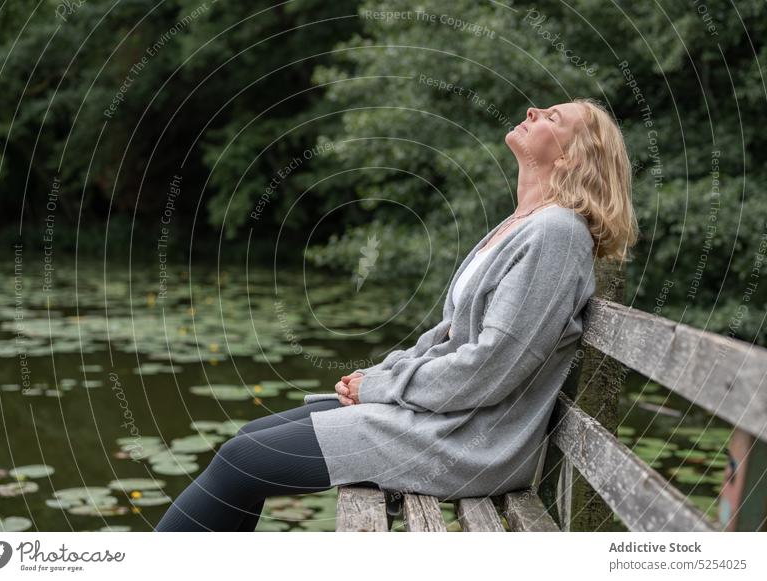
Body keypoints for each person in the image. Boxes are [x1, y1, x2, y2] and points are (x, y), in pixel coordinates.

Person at [154, 97, 640, 531]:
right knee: (248, 438)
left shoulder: (557, 233)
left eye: (553, 117)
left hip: (468, 441)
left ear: (572, 156)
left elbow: (493, 366)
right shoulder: (523, 225)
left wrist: (383, 390)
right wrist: (378, 374)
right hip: (443, 416)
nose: (533, 110)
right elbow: (447, 336)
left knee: (243, 460)